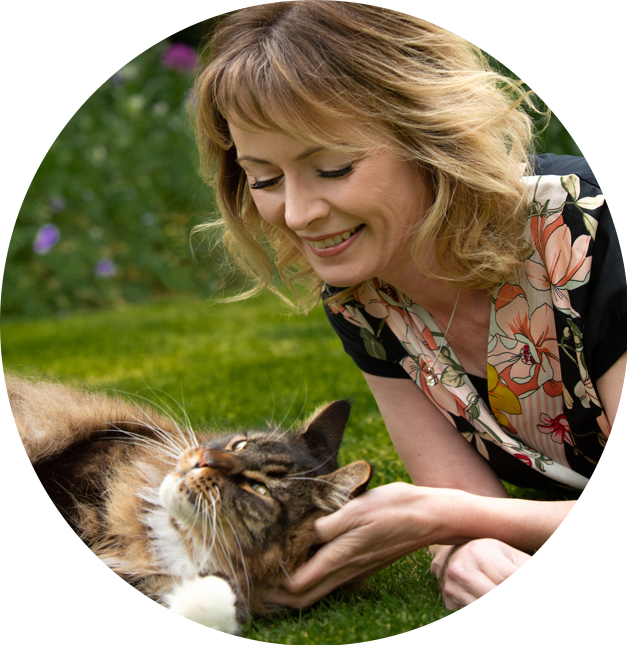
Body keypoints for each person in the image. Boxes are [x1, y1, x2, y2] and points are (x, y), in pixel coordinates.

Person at [189, 1, 626, 610]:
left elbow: (450, 510)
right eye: (264, 178)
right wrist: (465, 548)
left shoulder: (593, 236)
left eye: (333, 168)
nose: (298, 213)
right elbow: (465, 506)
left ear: (428, 136)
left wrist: (441, 520)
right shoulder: (364, 297)